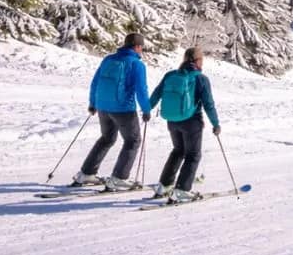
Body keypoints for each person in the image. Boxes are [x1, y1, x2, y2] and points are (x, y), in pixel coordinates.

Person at [73, 32, 151, 191]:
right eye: (141, 47)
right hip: (123, 109)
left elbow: (95, 82)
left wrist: (93, 103)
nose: (142, 50)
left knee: (107, 138)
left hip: (103, 107)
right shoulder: (136, 64)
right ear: (137, 47)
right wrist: (146, 109)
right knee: (133, 141)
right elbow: (141, 89)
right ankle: (119, 178)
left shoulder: (109, 59)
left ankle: (86, 173)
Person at [148, 47, 220, 203]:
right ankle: (182, 190)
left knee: (178, 151)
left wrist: (147, 109)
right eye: (202, 59)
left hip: (172, 120)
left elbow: (157, 93)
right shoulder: (201, 78)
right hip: (191, 121)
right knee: (193, 155)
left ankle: (164, 186)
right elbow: (209, 104)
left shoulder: (171, 75)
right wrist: (216, 123)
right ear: (198, 61)